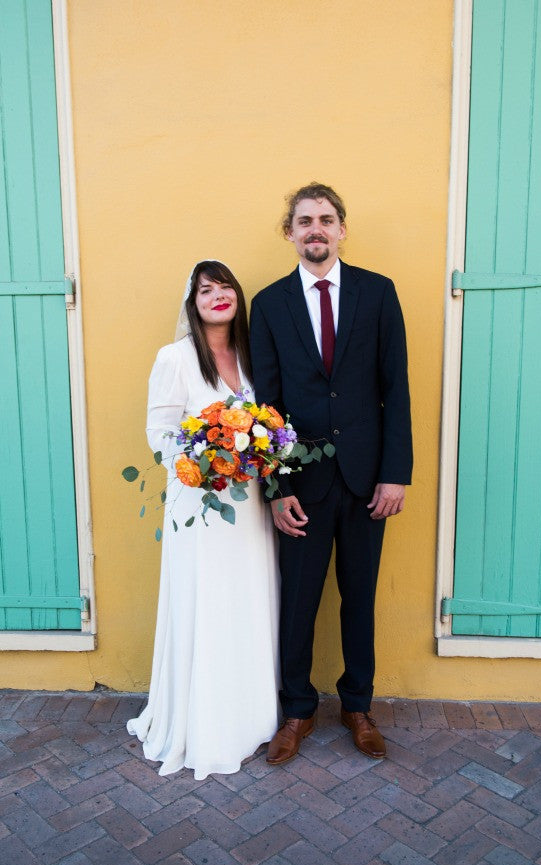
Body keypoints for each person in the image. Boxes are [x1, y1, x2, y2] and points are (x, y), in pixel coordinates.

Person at [249, 183, 412, 764]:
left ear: (342, 228)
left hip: (369, 480)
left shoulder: (377, 293)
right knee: (298, 600)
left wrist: (395, 475)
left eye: (324, 219)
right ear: (289, 233)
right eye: (303, 221)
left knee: (359, 597)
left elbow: (396, 388)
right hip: (303, 485)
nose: (314, 229)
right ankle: (296, 711)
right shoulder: (268, 304)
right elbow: (264, 406)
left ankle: (357, 706)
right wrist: (277, 488)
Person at [127, 261, 279, 780]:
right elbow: (160, 431)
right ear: (192, 303)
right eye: (205, 290)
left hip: (250, 506)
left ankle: (252, 717)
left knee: (248, 598)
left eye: (226, 287)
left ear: (238, 296)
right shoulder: (176, 358)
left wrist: (255, 456)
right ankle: (207, 724)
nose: (218, 296)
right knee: (208, 600)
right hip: (201, 505)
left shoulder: (254, 357)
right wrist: (206, 460)